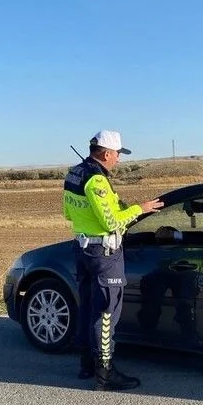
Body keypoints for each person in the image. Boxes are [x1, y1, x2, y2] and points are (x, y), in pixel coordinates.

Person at [63, 130, 164, 391]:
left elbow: (68, 213)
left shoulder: (74, 173)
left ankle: (87, 365)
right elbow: (111, 223)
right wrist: (138, 209)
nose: (118, 159)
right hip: (104, 254)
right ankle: (106, 372)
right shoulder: (97, 181)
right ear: (106, 153)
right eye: (118, 154)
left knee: (87, 307)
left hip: (82, 249)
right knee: (107, 313)